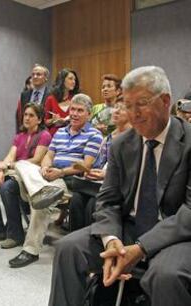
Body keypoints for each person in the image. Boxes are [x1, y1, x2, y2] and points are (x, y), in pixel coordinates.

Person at [49, 66, 191, 306]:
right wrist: (111, 240)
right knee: (67, 249)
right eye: (127, 104)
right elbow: (107, 200)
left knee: (165, 276)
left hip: (175, 234)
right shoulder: (121, 144)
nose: (133, 113)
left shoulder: (187, 141)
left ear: (165, 101)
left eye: (142, 103)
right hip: (128, 226)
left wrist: (141, 247)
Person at [9, 94, 102, 268]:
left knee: (42, 203)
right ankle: (41, 189)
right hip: (49, 176)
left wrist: (60, 172)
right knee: (21, 164)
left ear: (88, 115)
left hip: (70, 180)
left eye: (80, 111)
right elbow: (48, 156)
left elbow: (85, 165)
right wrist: (44, 168)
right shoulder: (60, 132)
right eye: (72, 109)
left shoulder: (94, 134)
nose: (74, 113)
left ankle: (30, 250)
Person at [0, 103, 51, 249]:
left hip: (30, 175)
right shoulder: (19, 136)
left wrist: (10, 165)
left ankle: (15, 234)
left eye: (31, 115)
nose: (27, 118)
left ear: (39, 119)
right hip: (15, 172)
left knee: (7, 188)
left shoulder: (44, 135)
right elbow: (10, 157)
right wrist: (0, 169)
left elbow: (36, 160)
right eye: (25, 115)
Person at [69, 101, 131, 231]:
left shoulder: (134, 138)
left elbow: (131, 170)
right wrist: (90, 172)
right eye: (116, 107)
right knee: (76, 199)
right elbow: (99, 163)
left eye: (122, 108)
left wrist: (106, 174)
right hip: (99, 183)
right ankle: (74, 240)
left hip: (119, 185)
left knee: (93, 203)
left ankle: (92, 241)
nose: (116, 111)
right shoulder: (108, 138)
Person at [44, 68, 80, 136]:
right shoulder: (51, 99)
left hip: (73, 135)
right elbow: (45, 121)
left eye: (74, 80)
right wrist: (53, 120)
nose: (74, 82)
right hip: (54, 136)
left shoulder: (76, 99)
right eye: (70, 79)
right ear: (62, 80)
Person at [15, 64, 50, 132]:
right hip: (27, 133)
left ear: (45, 78)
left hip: (44, 133)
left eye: (38, 74)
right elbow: (21, 117)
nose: (35, 76)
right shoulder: (24, 95)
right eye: (33, 74)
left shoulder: (51, 95)